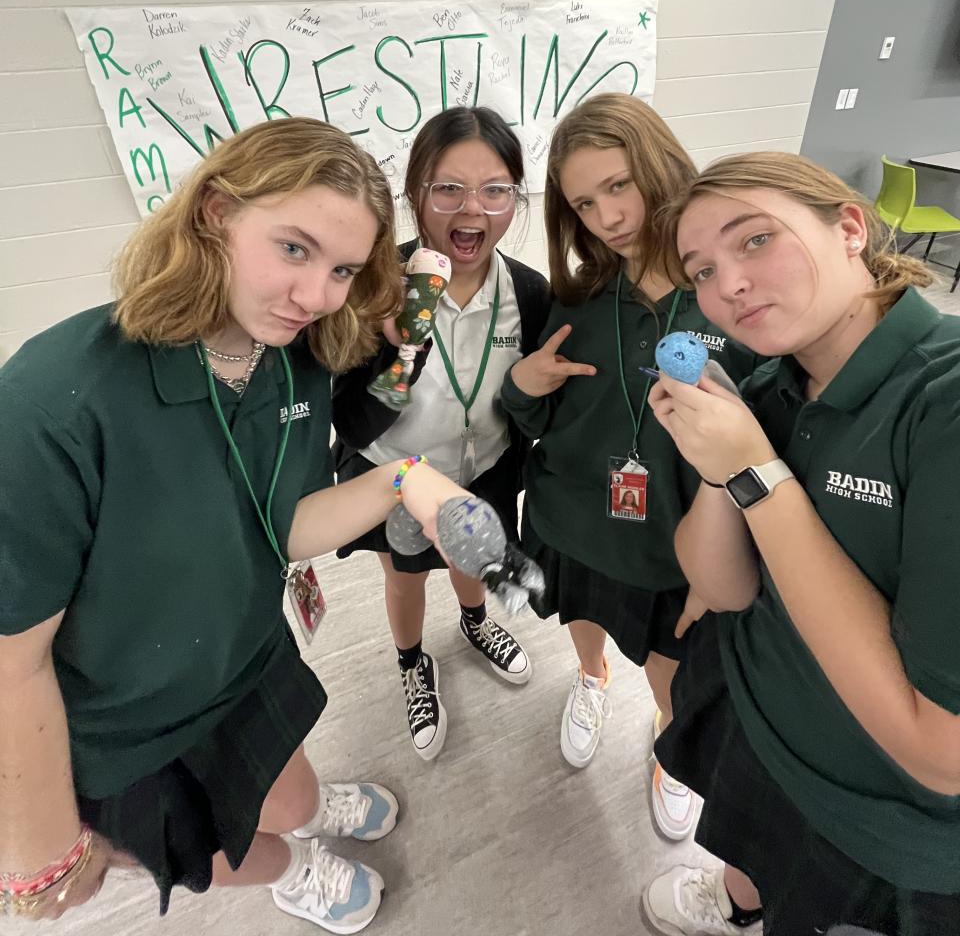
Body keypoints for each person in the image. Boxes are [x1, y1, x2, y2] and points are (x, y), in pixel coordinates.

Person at [0, 118, 475, 933]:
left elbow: (279, 526)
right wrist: (40, 846)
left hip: (245, 653)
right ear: (217, 212)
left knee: (288, 791)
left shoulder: (290, 357)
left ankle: (308, 815)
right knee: (215, 839)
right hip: (127, 726)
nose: (316, 295)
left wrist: (404, 480)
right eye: (293, 249)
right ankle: (294, 871)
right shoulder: (53, 402)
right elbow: (13, 664)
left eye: (342, 270)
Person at [642, 152, 960, 936]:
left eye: (755, 240)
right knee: (749, 864)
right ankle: (737, 898)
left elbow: (941, 754)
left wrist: (755, 471)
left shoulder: (943, 401)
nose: (728, 285)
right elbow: (725, 588)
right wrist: (718, 466)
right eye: (702, 271)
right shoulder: (770, 387)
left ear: (849, 228)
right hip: (759, 731)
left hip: (873, 828)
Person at [500, 94, 758, 840]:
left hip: (678, 546)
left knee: (672, 671)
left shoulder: (727, 299)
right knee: (581, 618)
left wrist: (726, 567)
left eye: (620, 186)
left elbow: (762, 455)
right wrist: (522, 388)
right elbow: (540, 421)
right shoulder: (579, 298)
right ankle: (591, 679)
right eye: (585, 203)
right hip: (574, 521)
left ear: (660, 166)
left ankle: (670, 743)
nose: (608, 217)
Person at [333, 107, 550, 760]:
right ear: (415, 194)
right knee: (405, 576)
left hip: (485, 468)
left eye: (494, 190)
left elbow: (528, 408)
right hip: (392, 474)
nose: (472, 209)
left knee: (471, 557)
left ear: (515, 197)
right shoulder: (372, 290)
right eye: (449, 188)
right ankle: (411, 662)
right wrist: (404, 352)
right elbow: (352, 420)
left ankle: (475, 622)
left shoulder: (528, 293)